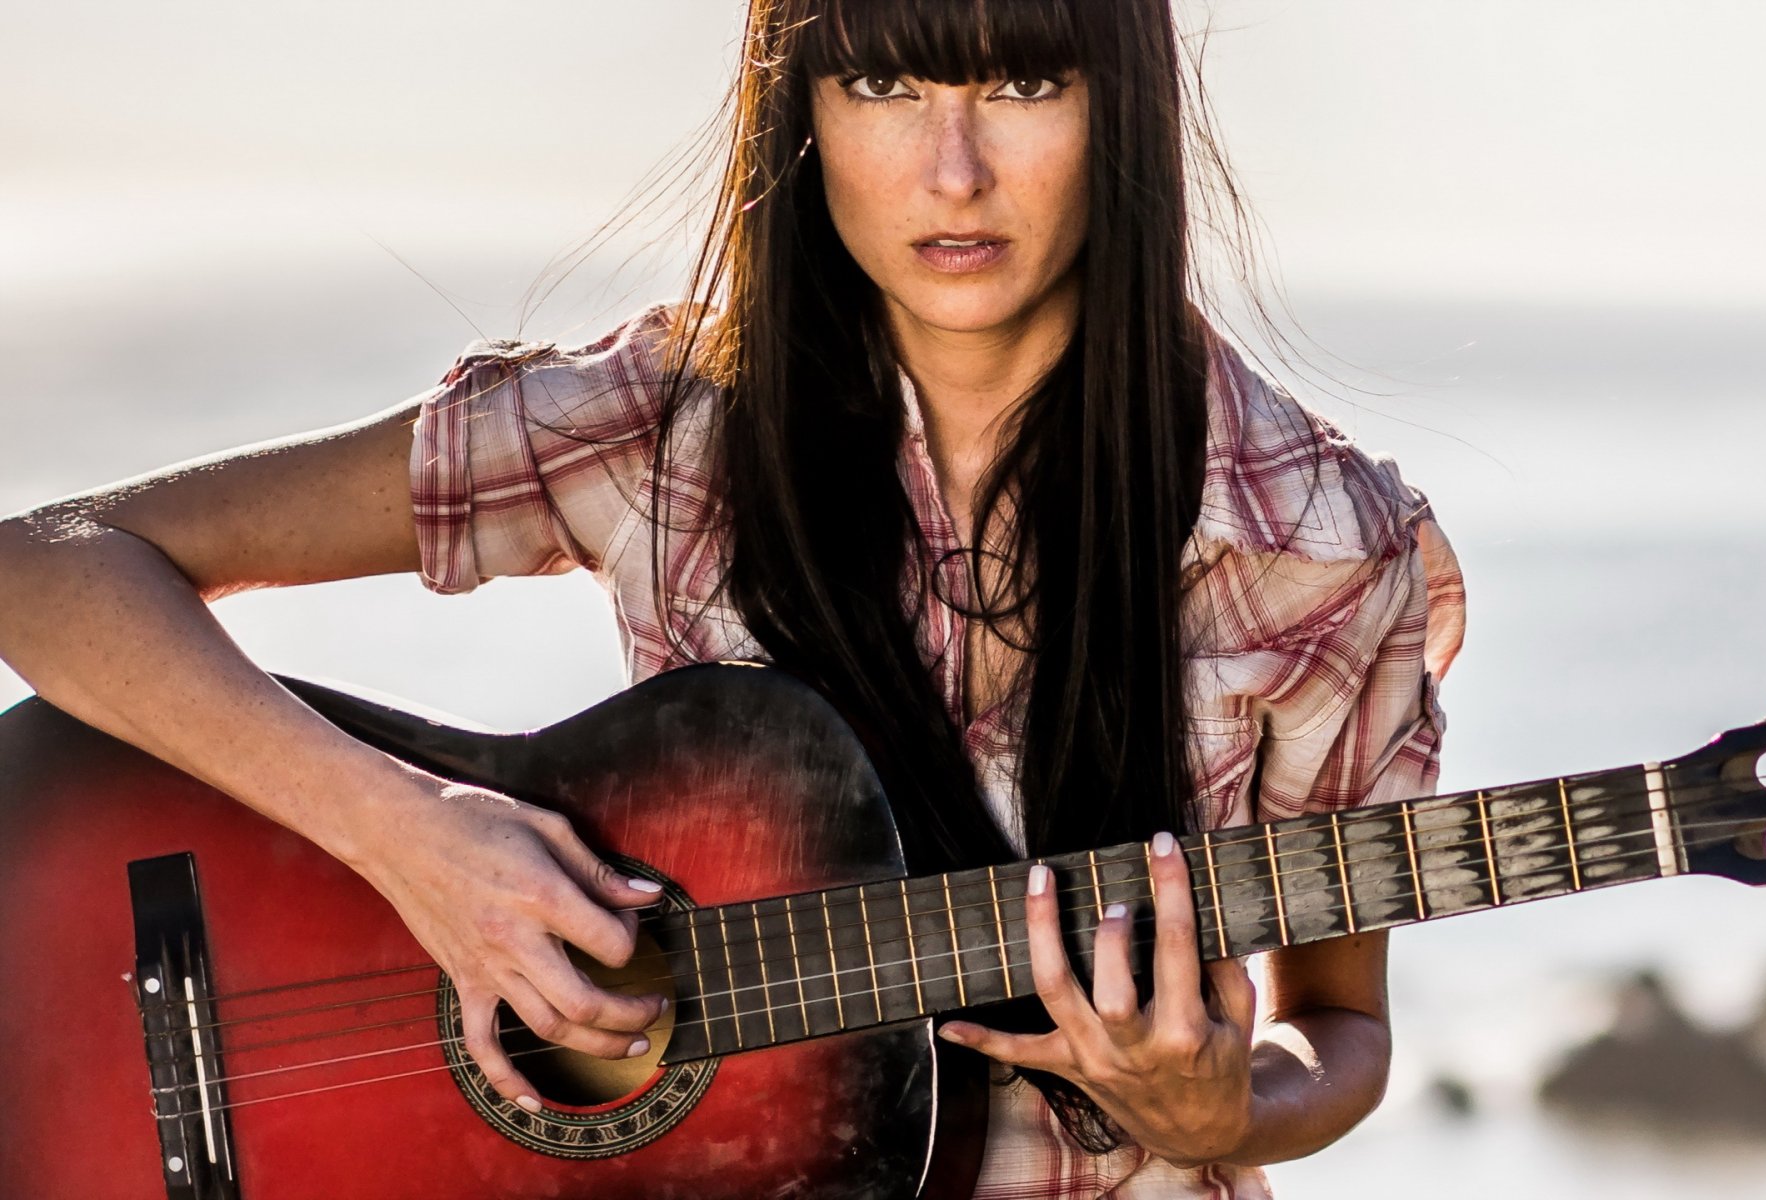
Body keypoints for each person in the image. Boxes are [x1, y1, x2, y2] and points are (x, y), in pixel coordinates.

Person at [0, 0, 1464, 1195]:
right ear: (803, 109)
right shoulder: (659, 428)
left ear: (1121, 109)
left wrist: (1220, 1114)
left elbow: (1335, 1031)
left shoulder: (1323, 543)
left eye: (1024, 81)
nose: (953, 173)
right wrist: (411, 839)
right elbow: (47, 567)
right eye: (885, 83)